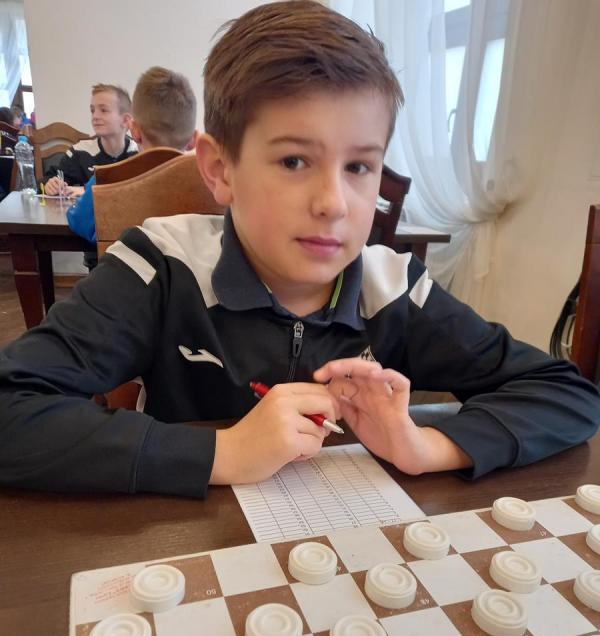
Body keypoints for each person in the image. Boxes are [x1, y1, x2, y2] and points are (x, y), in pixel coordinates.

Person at [0, 0, 599, 498]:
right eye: (293, 161)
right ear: (220, 169)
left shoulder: (393, 287)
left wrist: (425, 446)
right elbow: (11, 405)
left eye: (359, 166)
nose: (334, 203)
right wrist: (224, 451)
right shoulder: (160, 266)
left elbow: (567, 394)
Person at [67, 66, 197, 244]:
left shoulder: (107, 178)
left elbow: (77, 220)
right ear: (193, 139)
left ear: (134, 130)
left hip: (121, 261)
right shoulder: (210, 182)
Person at [43, 84, 137, 197]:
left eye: (103, 110)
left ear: (125, 120)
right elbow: (48, 179)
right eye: (92, 110)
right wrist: (50, 184)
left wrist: (87, 191)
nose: (95, 116)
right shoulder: (79, 152)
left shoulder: (139, 152)